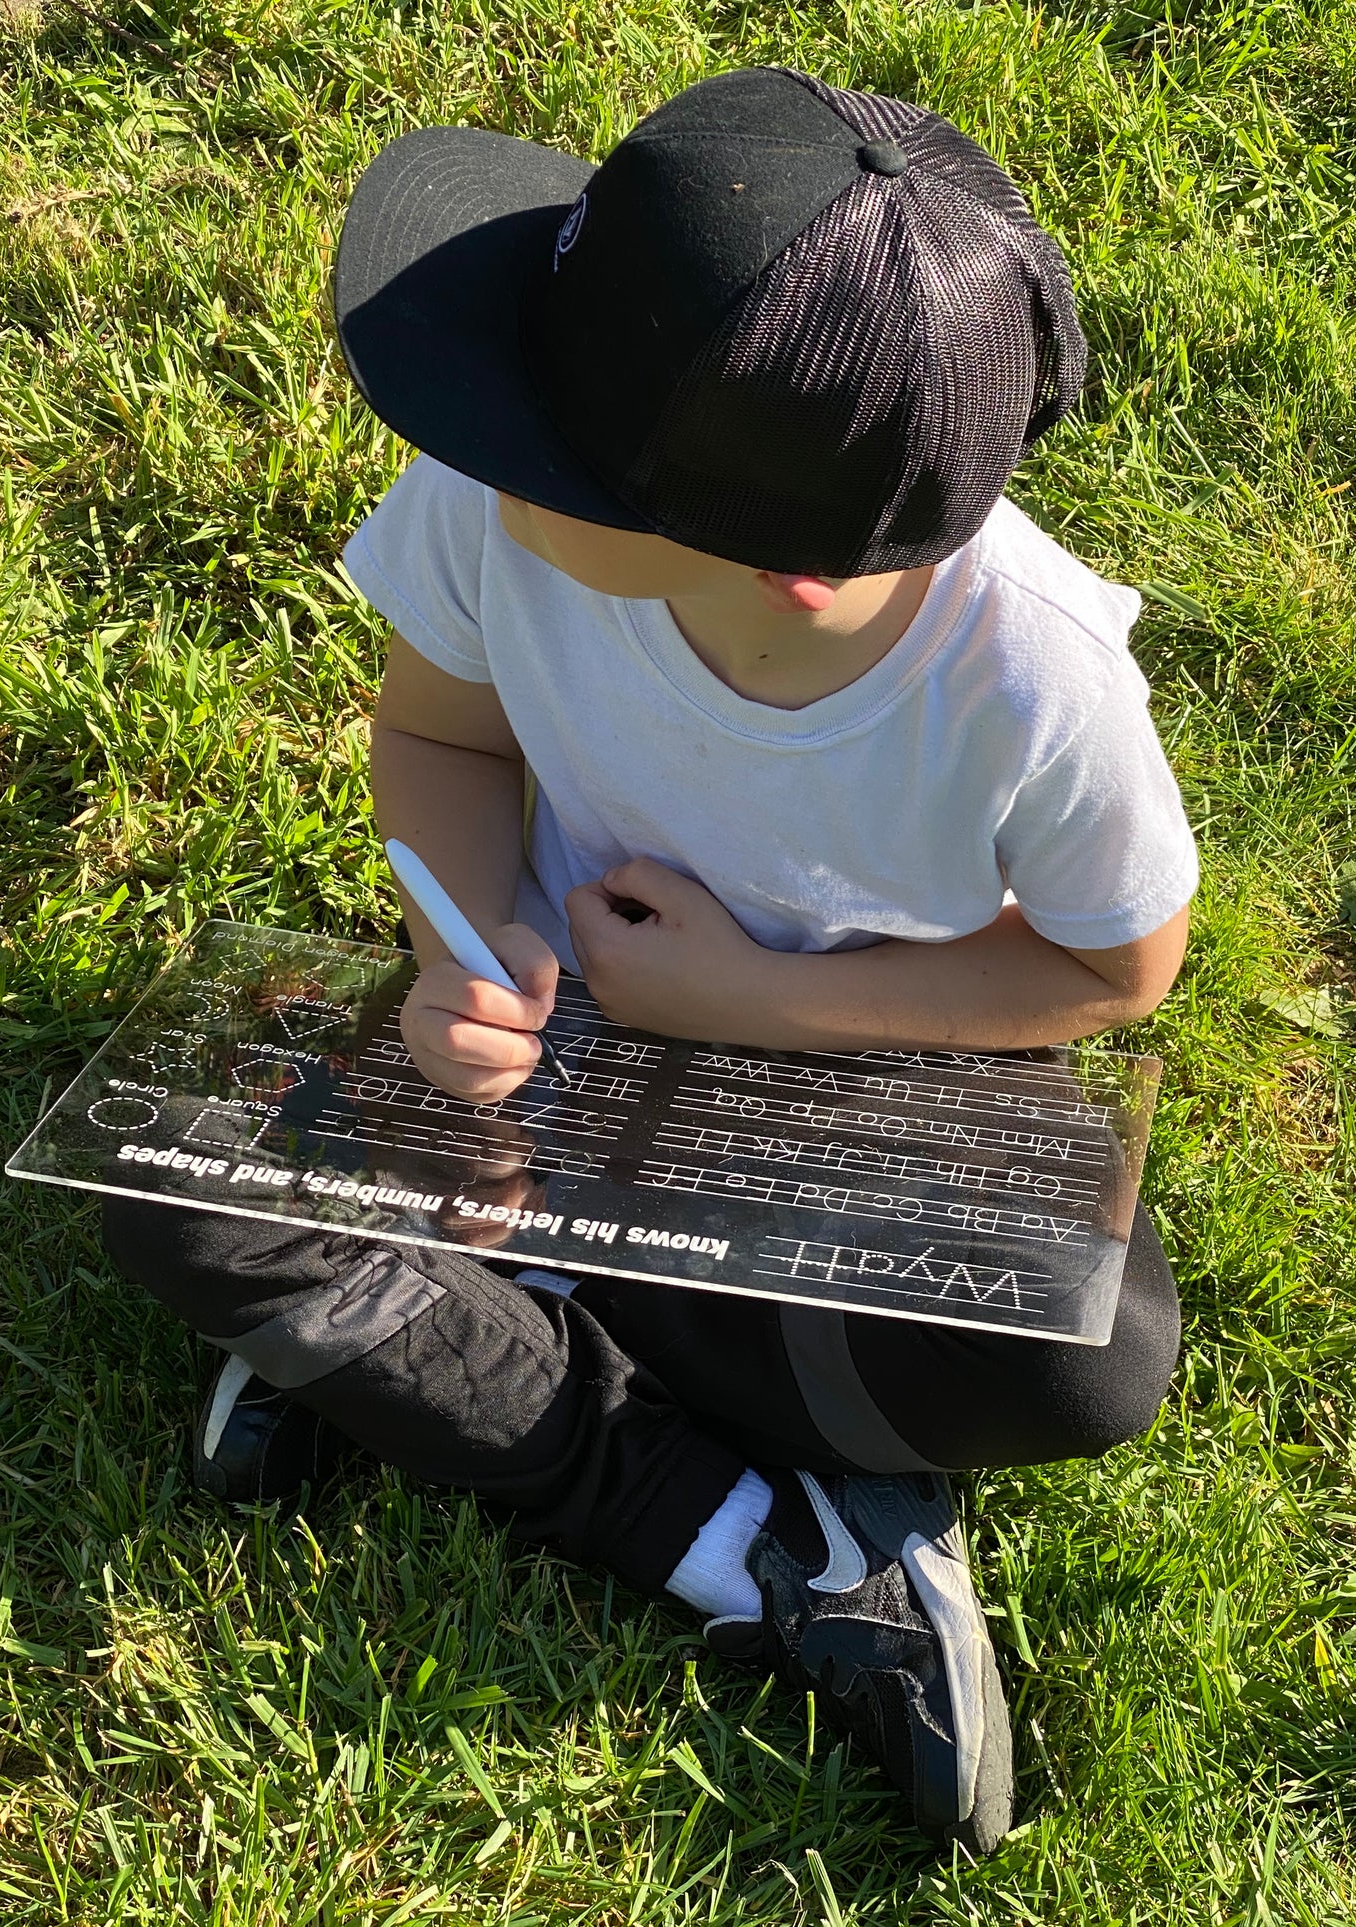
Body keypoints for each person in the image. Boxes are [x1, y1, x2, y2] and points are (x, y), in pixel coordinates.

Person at [102, 66, 1197, 1856]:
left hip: (839, 1086)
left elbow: (1106, 971)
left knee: (1079, 1358)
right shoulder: (495, 517)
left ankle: (461, 1352)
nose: (478, 440)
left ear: (765, 571)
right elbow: (446, 746)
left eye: (531, 433)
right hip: (547, 1055)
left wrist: (749, 1007)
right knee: (169, 1188)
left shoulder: (1034, 686)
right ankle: (744, 1523)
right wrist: (478, 942)